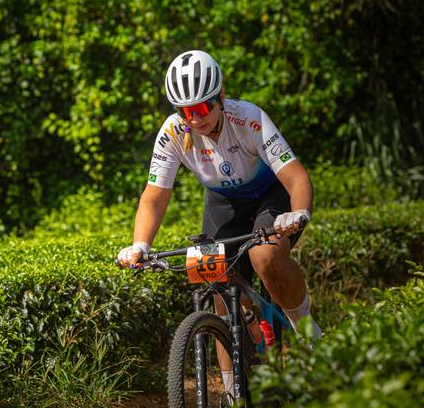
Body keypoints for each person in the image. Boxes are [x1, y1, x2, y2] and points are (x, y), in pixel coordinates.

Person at [116, 49, 322, 349]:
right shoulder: (173, 132)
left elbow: (297, 177)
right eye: (185, 111)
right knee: (215, 278)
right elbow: (153, 198)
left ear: (221, 96)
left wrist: (299, 211)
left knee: (264, 256)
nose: (194, 119)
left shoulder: (249, 118)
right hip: (224, 201)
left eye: (201, 108)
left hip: (269, 194)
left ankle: (305, 327)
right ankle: (234, 376)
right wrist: (140, 245)